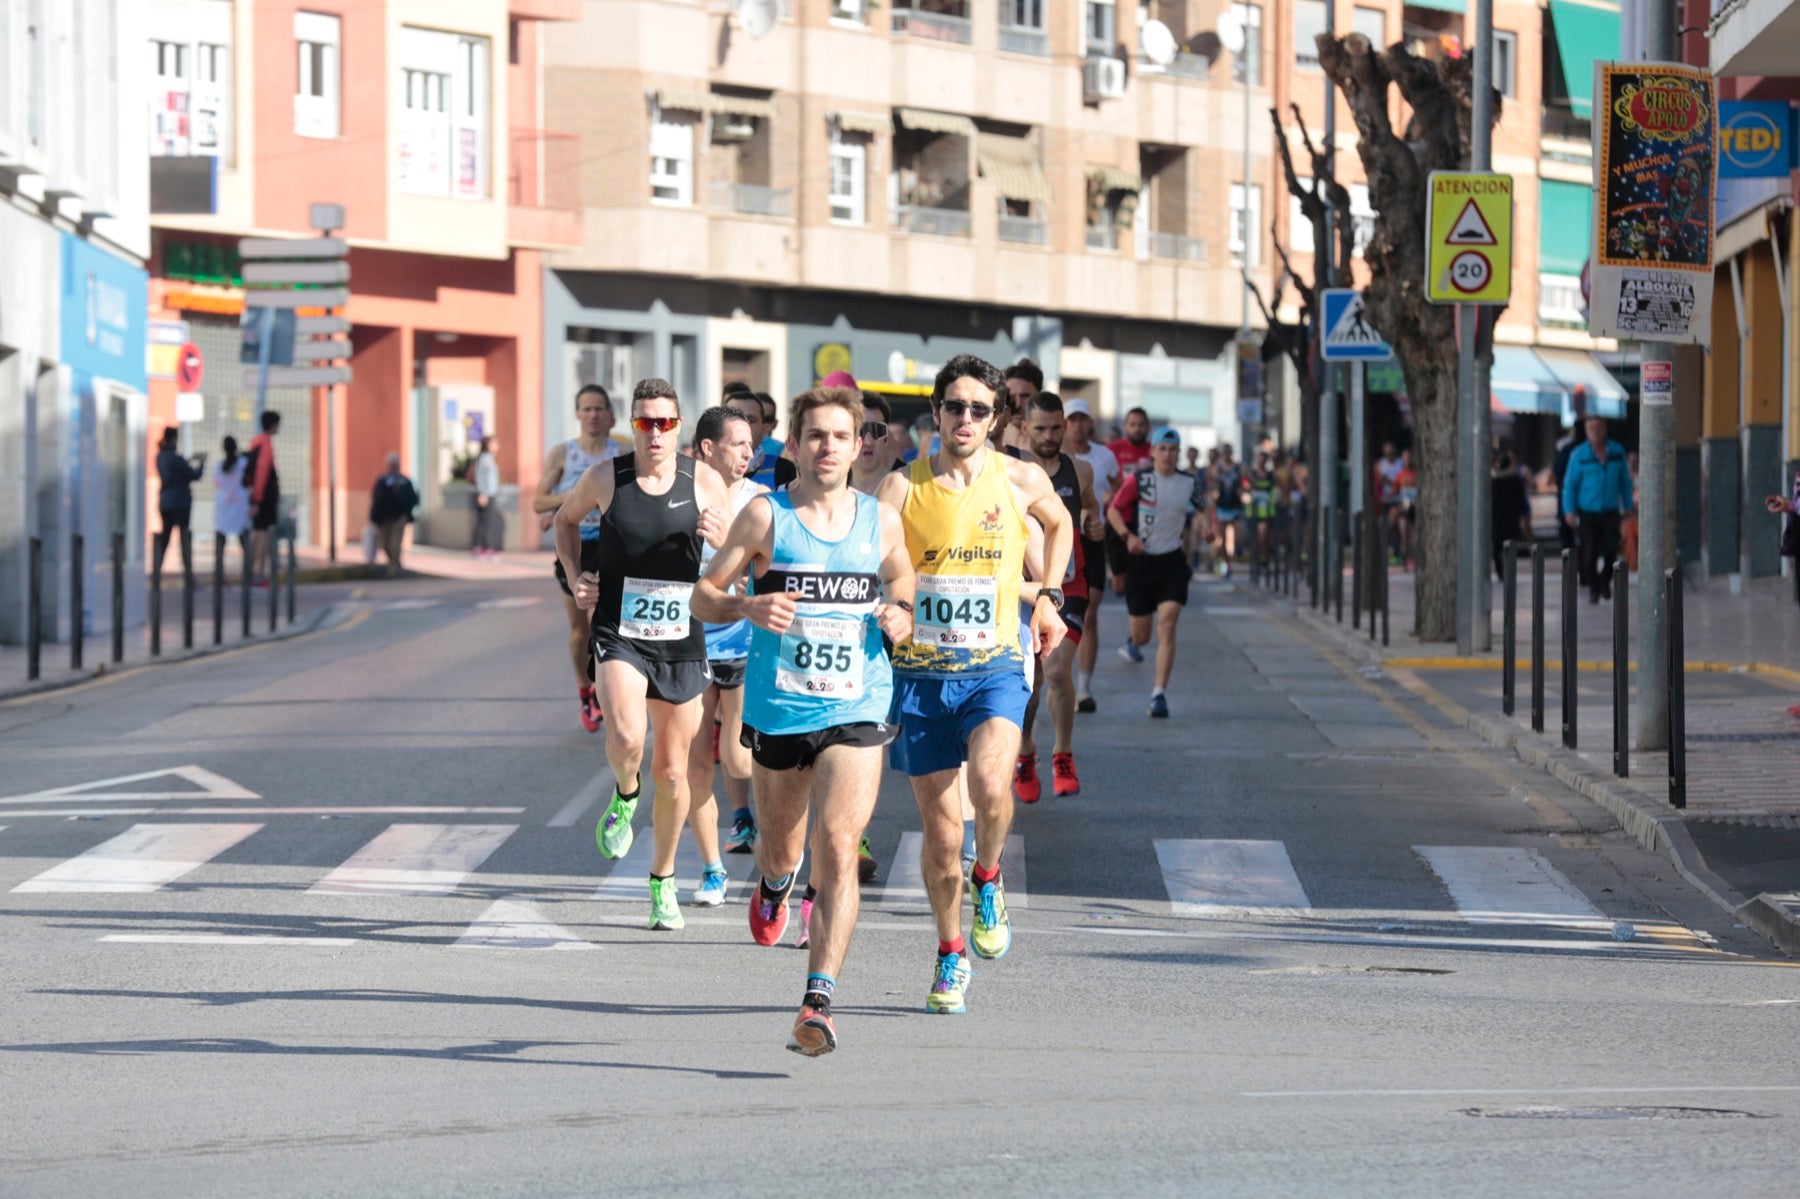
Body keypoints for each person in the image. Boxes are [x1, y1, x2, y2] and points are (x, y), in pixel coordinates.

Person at [694, 386, 915, 1055]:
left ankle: (817, 999)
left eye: (840, 436)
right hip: (780, 707)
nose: (827, 447)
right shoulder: (765, 516)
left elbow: (902, 580)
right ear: (792, 445)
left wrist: (900, 612)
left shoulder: (880, 521)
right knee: (783, 845)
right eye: (814, 435)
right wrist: (746, 609)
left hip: (857, 703)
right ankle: (773, 881)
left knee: (841, 844)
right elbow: (706, 595)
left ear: (857, 447)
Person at [875, 354, 1071, 1015]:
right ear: (935, 412)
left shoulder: (1019, 478)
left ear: (996, 417)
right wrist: (890, 608)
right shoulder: (901, 490)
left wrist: (1049, 595)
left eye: (978, 409)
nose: (965, 418)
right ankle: (951, 949)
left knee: (991, 785)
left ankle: (989, 878)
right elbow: (881, 568)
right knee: (941, 837)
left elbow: (1061, 523)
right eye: (954, 406)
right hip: (923, 677)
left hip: (994, 667)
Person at [555, 378, 730, 932]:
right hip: (619, 630)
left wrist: (722, 538)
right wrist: (576, 575)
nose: (654, 433)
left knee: (675, 773)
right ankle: (626, 793)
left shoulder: (705, 481)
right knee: (629, 737)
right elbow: (563, 521)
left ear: (680, 428)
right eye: (644, 422)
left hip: (681, 639)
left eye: (665, 422)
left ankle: (661, 881)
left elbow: (740, 554)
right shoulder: (607, 477)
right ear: (632, 425)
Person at [682, 405, 765, 909]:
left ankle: (766, 812)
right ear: (708, 449)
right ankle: (713, 869)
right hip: (685, 643)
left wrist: (723, 546)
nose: (750, 454)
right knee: (695, 760)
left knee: (737, 756)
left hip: (743, 643)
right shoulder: (680, 494)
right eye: (739, 444)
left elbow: (765, 579)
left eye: (751, 444)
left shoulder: (761, 503)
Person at [1012, 393, 1099, 801]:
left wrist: (1095, 524)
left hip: (1069, 586)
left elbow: (1091, 508)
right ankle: (1025, 753)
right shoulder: (1012, 471)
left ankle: (1063, 754)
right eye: (1040, 428)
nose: (1049, 436)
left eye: (1055, 428)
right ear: (1025, 428)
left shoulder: (1080, 471)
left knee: (1060, 670)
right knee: (1032, 680)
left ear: (1065, 427)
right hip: (1027, 586)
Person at [535, 383, 621, 732]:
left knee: (603, 623)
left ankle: (606, 692)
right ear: (577, 414)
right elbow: (538, 502)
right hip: (574, 543)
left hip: (609, 543)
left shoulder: (621, 452)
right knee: (579, 629)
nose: (593, 415)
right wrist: (574, 496)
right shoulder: (562, 454)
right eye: (586, 409)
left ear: (610, 416)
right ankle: (585, 691)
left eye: (599, 408)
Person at [1109, 427, 1201, 719]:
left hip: (1173, 563)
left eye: (1173, 450)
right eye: (1162, 449)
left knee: (1168, 626)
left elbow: (1201, 510)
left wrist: (1208, 528)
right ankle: (1132, 642)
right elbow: (1113, 510)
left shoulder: (1189, 482)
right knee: (1143, 635)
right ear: (1153, 452)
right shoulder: (1141, 480)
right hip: (1142, 562)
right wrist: (1128, 537)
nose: (1168, 455)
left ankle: (1158, 693)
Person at [1063, 399, 1118, 713]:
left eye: (1083, 419)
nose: (1078, 425)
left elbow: (1119, 490)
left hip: (1093, 538)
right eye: (1072, 419)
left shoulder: (1104, 456)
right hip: (1062, 538)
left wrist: (1108, 511)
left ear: (1091, 423)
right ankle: (1062, 677)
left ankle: (1083, 686)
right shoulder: (1055, 457)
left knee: (1090, 612)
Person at [1562, 415, 1634, 604]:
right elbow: (1570, 485)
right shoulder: (1579, 455)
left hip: (1610, 510)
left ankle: (1605, 580)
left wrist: (1628, 506)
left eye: (1599, 427)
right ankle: (1594, 588)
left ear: (1605, 429)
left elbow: (1624, 483)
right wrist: (1569, 510)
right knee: (1589, 552)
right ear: (1586, 432)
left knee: (1611, 549)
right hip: (1587, 511)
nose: (1596, 431)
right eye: (1592, 428)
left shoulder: (1617, 452)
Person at [153, 426, 205, 578]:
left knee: (164, 540)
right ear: (174, 438)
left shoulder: (160, 457)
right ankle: (188, 575)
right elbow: (194, 475)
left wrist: (188, 460)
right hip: (180, 504)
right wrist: (201, 463)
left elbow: (175, 469)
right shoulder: (176, 459)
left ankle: (156, 573)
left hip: (165, 503)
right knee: (184, 540)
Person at [727, 389, 798, 490]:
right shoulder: (706, 470)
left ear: (764, 428)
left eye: (751, 420)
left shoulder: (783, 469)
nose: (743, 426)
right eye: (734, 418)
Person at [244, 411, 281, 586]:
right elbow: (261, 473)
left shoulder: (255, 443)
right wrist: (258, 500)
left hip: (258, 498)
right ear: (273, 425)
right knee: (262, 536)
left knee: (257, 534)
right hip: (264, 499)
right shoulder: (265, 445)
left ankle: (251, 572)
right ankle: (258, 574)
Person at [368, 453, 419, 577]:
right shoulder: (382, 481)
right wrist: (374, 516)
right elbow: (376, 499)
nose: (392, 467)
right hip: (385, 518)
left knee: (395, 543)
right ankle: (394, 562)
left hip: (399, 518)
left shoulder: (405, 481)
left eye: (394, 464)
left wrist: (407, 510)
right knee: (384, 544)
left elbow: (413, 499)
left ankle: (393, 568)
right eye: (391, 465)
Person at [1490, 447, 1531, 580]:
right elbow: (1521, 499)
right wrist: (1523, 513)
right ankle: (1508, 571)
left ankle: (1500, 572)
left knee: (1497, 548)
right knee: (1510, 548)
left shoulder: (1494, 481)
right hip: (1511, 519)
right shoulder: (1516, 480)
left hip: (1497, 520)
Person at [1209, 443, 1245, 579]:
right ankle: (1227, 565)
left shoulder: (1238, 467)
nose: (1226, 456)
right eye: (1224, 453)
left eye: (1228, 453)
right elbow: (1212, 484)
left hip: (1235, 506)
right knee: (1223, 539)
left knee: (1236, 535)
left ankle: (1237, 551)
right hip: (1222, 506)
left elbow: (1247, 482)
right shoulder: (1217, 467)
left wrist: (1243, 491)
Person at [213, 436, 250, 561]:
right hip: (239, 506)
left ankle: (219, 576)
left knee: (221, 543)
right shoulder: (243, 463)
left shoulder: (218, 467)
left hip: (223, 505)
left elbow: (217, 483)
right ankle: (247, 574)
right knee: (244, 542)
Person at [471, 436, 503, 559]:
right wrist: (481, 493)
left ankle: (487, 547)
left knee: (488, 521)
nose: (496, 445)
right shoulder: (484, 458)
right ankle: (481, 547)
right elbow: (479, 476)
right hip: (485, 494)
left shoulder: (490, 458)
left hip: (491, 493)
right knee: (484, 522)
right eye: (494, 443)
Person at [1001, 359, 1043, 454]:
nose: (1017, 404)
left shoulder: (1054, 442)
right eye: (1011, 397)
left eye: (1025, 396)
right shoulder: (987, 442)